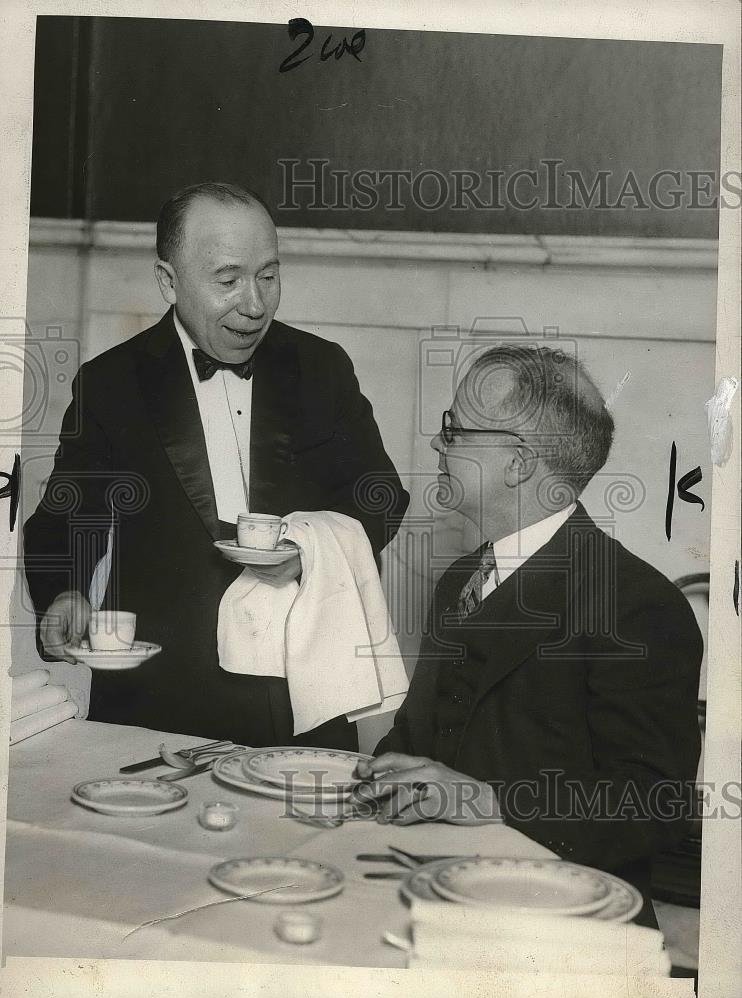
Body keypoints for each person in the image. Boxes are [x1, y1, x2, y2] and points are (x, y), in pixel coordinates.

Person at [24, 182, 409, 750]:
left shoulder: (322, 368)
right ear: (168, 281)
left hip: (299, 694)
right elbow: (65, 518)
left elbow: (381, 493)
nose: (254, 305)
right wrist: (65, 591)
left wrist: (309, 550)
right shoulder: (112, 383)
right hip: (157, 697)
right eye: (228, 281)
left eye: (269, 276)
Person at [354, 344, 702, 923]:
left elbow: (653, 804)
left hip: (561, 920)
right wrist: (382, 776)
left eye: (457, 430)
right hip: (436, 887)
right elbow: (418, 738)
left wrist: (486, 801)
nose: (440, 444)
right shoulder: (461, 580)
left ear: (517, 463)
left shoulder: (639, 605)